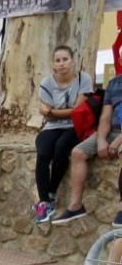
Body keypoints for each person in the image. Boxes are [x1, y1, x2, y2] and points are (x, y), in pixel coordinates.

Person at [32, 46, 92, 223]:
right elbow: (46, 112)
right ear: (53, 64)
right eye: (58, 60)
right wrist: (51, 112)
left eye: (65, 59)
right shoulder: (46, 83)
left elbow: (78, 110)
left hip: (76, 126)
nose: (62, 63)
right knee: (43, 152)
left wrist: (52, 111)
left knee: (61, 147)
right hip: (51, 127)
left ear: (72, 60)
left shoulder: (83, 79)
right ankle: (44, 202)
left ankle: (51, 191)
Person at [57, 65, 122, 226]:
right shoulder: (114, 83)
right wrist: (101, 139)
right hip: (113, 130)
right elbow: (106, 117)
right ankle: (75, 205)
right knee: (78, 153)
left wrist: (119, 140)